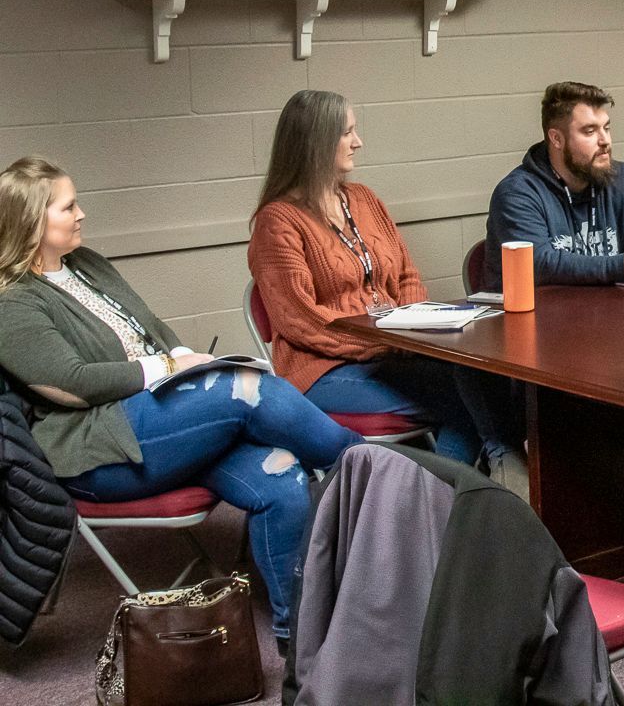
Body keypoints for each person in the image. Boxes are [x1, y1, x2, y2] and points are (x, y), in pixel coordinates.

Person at [0, 157, 363, 644]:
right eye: (68, 207)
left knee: (282, 474)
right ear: (30, 223)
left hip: (164, 422)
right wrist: (170, 369)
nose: (82, 213)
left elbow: (149, 326)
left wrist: (180, 353)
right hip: (100, 448)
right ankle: (372, 471)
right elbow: (72, 383)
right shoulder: (12, 301)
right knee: (245, 388)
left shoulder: (85, 264)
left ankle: (299, 640)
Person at [247, 90, 528, 496]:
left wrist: (414, 330)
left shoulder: (362, 199)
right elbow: (302, 322)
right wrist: (385, 341)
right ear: (316, 143)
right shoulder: (278, 222)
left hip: (391, 354)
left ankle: (450, 503)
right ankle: (459, 499)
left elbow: (408, 276)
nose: (357, 141)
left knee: (481, 382)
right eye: (347, 133)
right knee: (468, 400)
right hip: (324, 370)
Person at [484, 81, 624, 288]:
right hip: (537, 315)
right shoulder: (517, 192)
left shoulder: (623, 179)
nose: (605, 140)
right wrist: (622, 266)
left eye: (606, 128)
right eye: (590, 131)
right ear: (557, 139)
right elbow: (539, 263)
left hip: (603, 312)